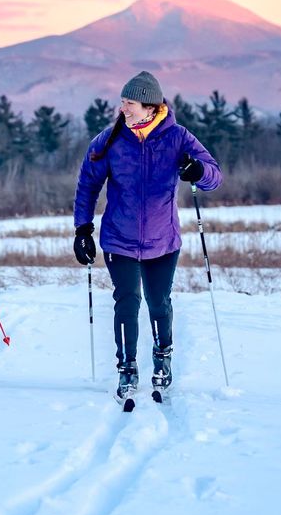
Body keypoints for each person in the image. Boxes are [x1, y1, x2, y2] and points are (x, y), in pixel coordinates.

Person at [73, 70, 222, 401]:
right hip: (119, 238)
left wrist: (198, 172)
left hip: (162, 239)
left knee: (159, 303)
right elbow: (87, 185)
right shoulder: (109, 140)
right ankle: (126, 368)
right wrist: (82, 228)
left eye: (130, 103)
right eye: (122, 102)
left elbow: (214, 176)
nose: (123, 109)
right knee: (126, 301)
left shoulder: (178, 137)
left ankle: (162, 360)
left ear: (151, 106)